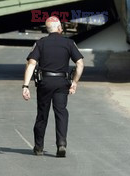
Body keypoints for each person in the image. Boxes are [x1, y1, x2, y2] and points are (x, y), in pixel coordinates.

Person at [22, 16, 84, 157]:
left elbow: (31, 64)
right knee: (61, 112)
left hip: (45, 83)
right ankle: (61, 144)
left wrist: (25, 86)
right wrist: (75, 82)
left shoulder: (40, 43)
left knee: (42, 114)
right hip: (62, 82)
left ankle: (38, 147)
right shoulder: (69, 43)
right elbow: (80, 63)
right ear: (59, 28)